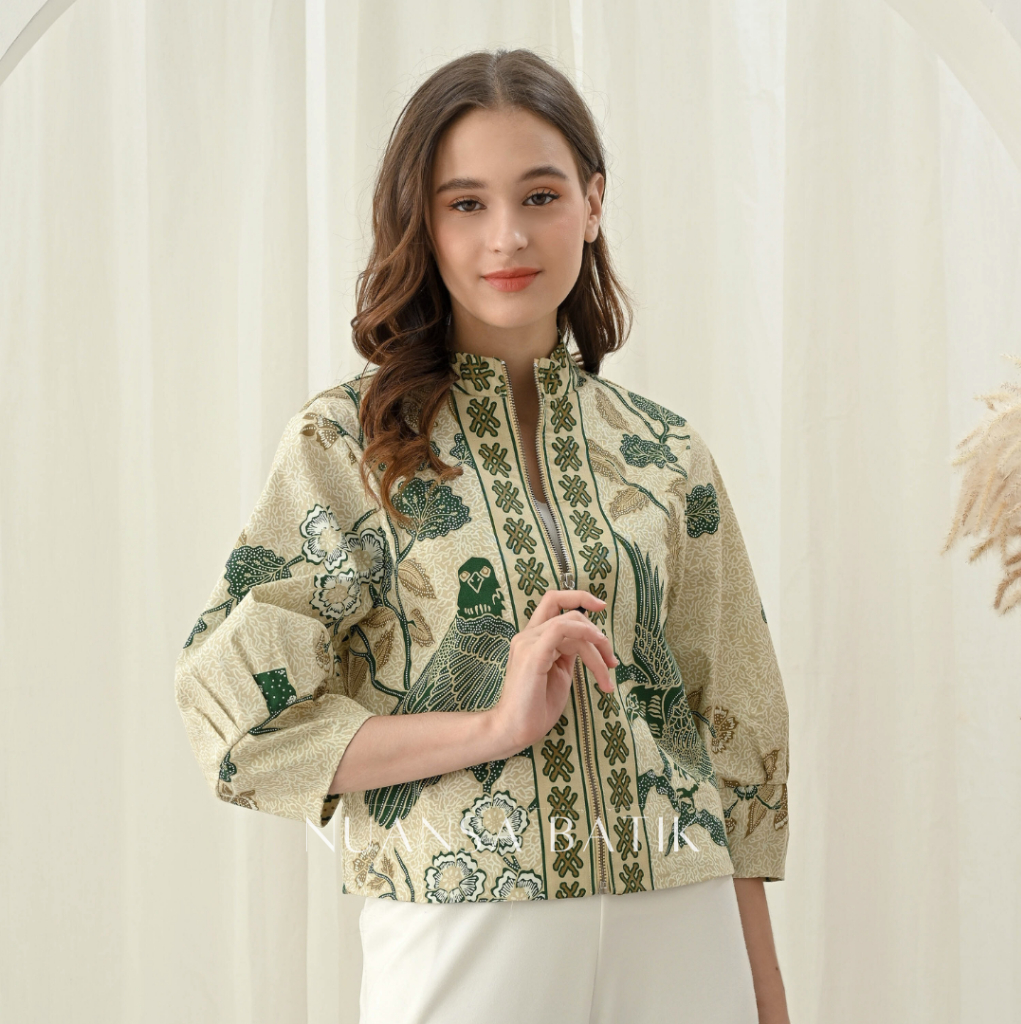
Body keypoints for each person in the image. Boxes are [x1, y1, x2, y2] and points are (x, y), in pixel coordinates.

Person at [174, 48, 790, 1024]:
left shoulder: (667, 452)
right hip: (463, 924)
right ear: (422, 223)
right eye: (465, 203)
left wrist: (767, 997)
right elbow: (241, 722)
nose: (507, 235)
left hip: (683, 922)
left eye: (540, 195)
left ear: (592, 202)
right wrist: (493, 728)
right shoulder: (349, 444)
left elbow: (737, 735)